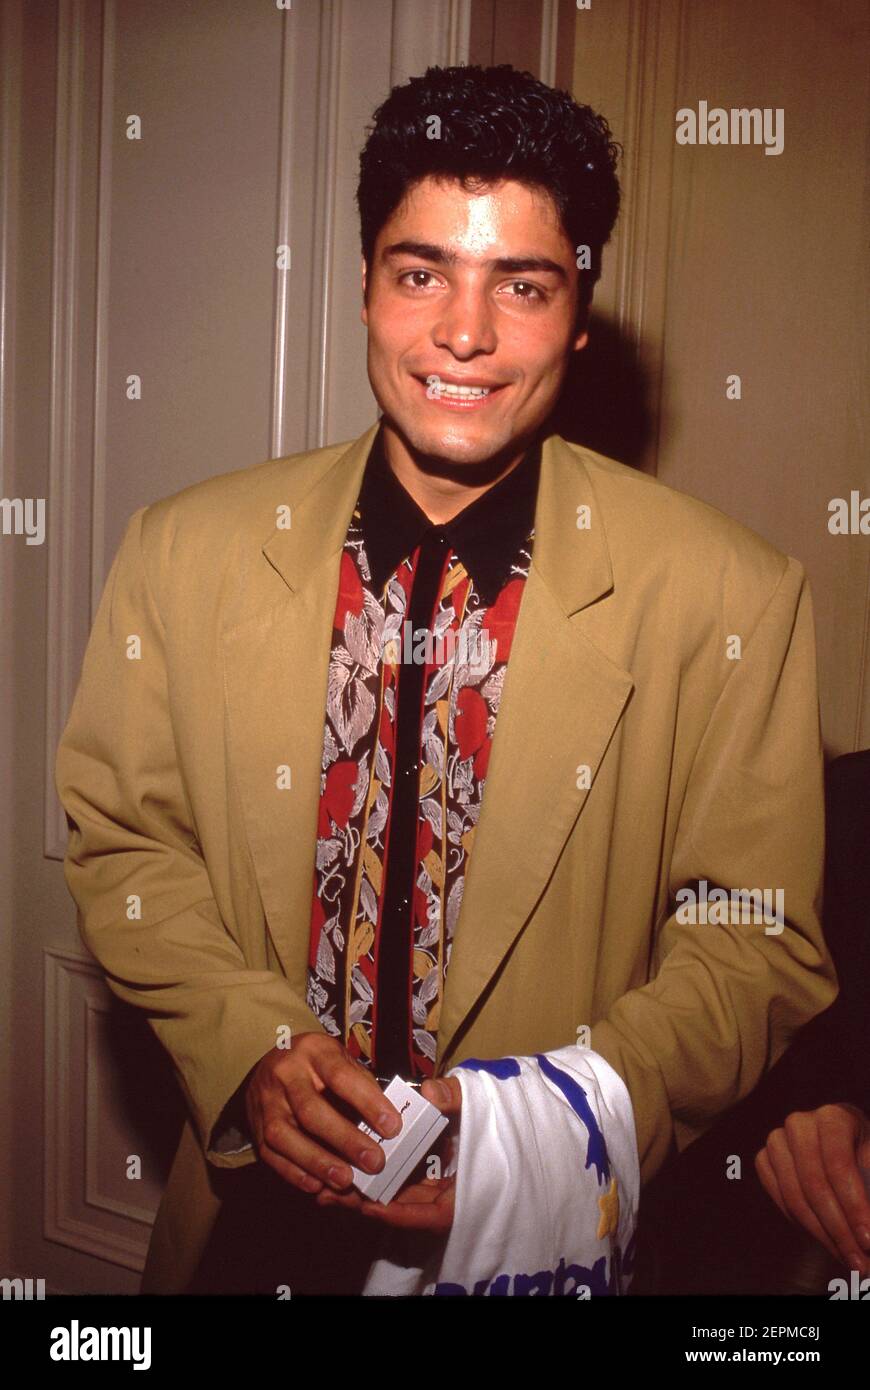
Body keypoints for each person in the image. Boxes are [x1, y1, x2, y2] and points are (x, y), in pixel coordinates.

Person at [55, 64, 837, 1296]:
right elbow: (124, 843)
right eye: (421, 273)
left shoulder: (732, 596)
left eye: (521, 286)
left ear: (581, 311)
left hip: (538, 1247)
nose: (463, 333)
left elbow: (757, 940)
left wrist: (538, 1132)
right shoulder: (183, 548)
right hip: (248, 1232)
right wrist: (251, 1050)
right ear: (363, 286)